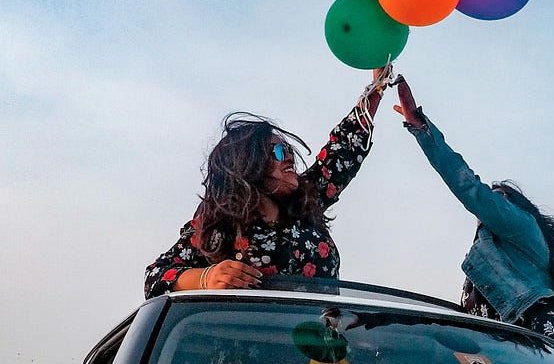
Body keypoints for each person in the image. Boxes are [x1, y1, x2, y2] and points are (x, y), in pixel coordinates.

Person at [391, 75, 554, 364]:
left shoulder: (521, 225)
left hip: (546, 335)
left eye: (500, 196)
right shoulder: (485, 257)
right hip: (516, 343)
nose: (491, 202)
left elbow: (470, 188)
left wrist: (422, 130)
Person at [144, 67, 392, 298]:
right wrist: (206, 277)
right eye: (278, 152)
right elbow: (154, 276)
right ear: (247, 165)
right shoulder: (219, 227)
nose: (290, 158)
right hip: (257, 342)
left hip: (322, 342)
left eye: (288, 150)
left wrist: (377, 86)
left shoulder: (306, 202)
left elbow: (343, 149)